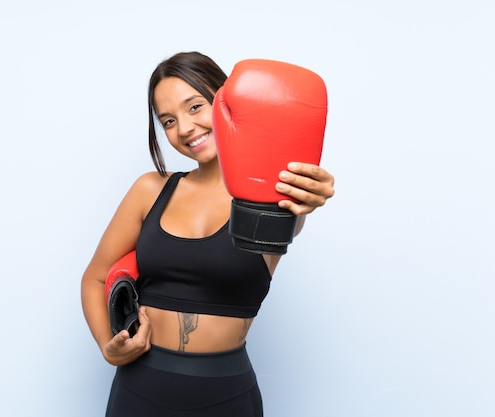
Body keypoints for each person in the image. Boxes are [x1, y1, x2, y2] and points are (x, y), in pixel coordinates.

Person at [81, 51, 335, 417]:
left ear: (229, 101)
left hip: (227, 397)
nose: (184, 128)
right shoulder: (151, 190)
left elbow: (296, 211)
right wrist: (109, 346)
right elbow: (95, 277)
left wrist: (311, 194)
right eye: (168, 120)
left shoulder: (272, 196)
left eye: (195, 106)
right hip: (138, 390)